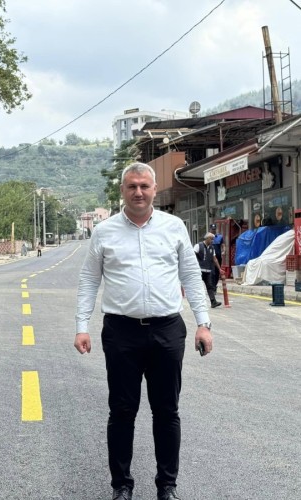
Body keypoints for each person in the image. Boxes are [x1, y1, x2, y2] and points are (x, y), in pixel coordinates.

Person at [75, 162, 212, 500]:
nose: (138, 192)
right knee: (122, 410)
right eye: (132, 186)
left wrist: (203, 323)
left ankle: (167, 486)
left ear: (153, 190)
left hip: (167, 331)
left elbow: (191, 277)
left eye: (144, 186)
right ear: (122, 191)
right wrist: (82, 326)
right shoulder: (104, 231)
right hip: (121, 332)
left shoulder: (174, 227)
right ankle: (121, 486)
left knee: (167, 410)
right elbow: (89, 279)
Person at [194, 232, 224, 308]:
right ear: (207, 238)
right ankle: (197, 303)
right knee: (197, 287)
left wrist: (219, 269)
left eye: (213, 239)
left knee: (210, 287)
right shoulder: (198, 246)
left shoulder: (212, 248)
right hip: (199, 271)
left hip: (208, 271)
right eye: (211, 239)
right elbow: (192, 256)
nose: (212, 241)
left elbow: (215, 259)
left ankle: (213, 302)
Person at [209, 224, 225, 291]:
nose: (213, 230)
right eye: (212, 229)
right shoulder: (208, 237)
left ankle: (214, 285)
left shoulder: (220, 237)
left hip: (218, 257)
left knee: (217, 272)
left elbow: (223, 245)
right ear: (210, 229)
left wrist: (224, 251)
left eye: (214, 229)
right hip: (211, 258)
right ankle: (212, 286)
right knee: (212, 272)